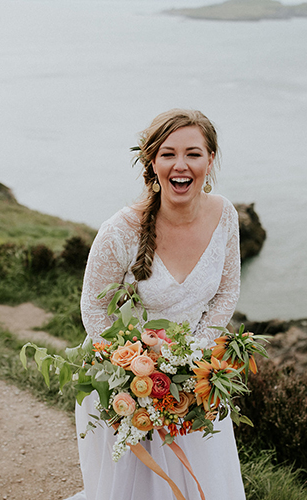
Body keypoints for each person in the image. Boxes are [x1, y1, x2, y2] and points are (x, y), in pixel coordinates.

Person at [68, 109, 246, 500]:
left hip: (196, 388)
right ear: (152, 161)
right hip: (131, 393)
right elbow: (94, 310)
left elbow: (227, 291)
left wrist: (193, 361)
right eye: (168, 154)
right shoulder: (120, 231)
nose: (180, 165)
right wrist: (134, 369)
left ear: (210, 159)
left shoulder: (225, 216)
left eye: (193, 154)